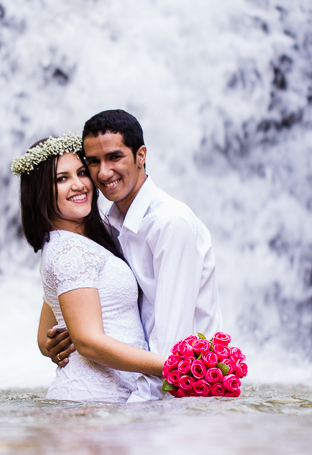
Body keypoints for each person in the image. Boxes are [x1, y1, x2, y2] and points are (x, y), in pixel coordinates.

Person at [44, 110, 221, 401]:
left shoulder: (169, 224)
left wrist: (135, 418)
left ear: (140, 155)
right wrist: (62, 336)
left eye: (115, 157)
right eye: (93, 162)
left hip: (176, 400)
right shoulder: (107, 224)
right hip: (139, 394)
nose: (103, 173)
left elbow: (172, 348)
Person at [14, 133, 166, 402]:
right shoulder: (70, 250)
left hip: (100, 401)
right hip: (90, 403)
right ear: (39, 191)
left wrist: (54, 342)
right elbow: (88, 342)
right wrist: (171, 368)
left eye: (82, 173)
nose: (78, 185)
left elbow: (44, 335)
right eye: (62, 179)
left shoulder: (80, 242)